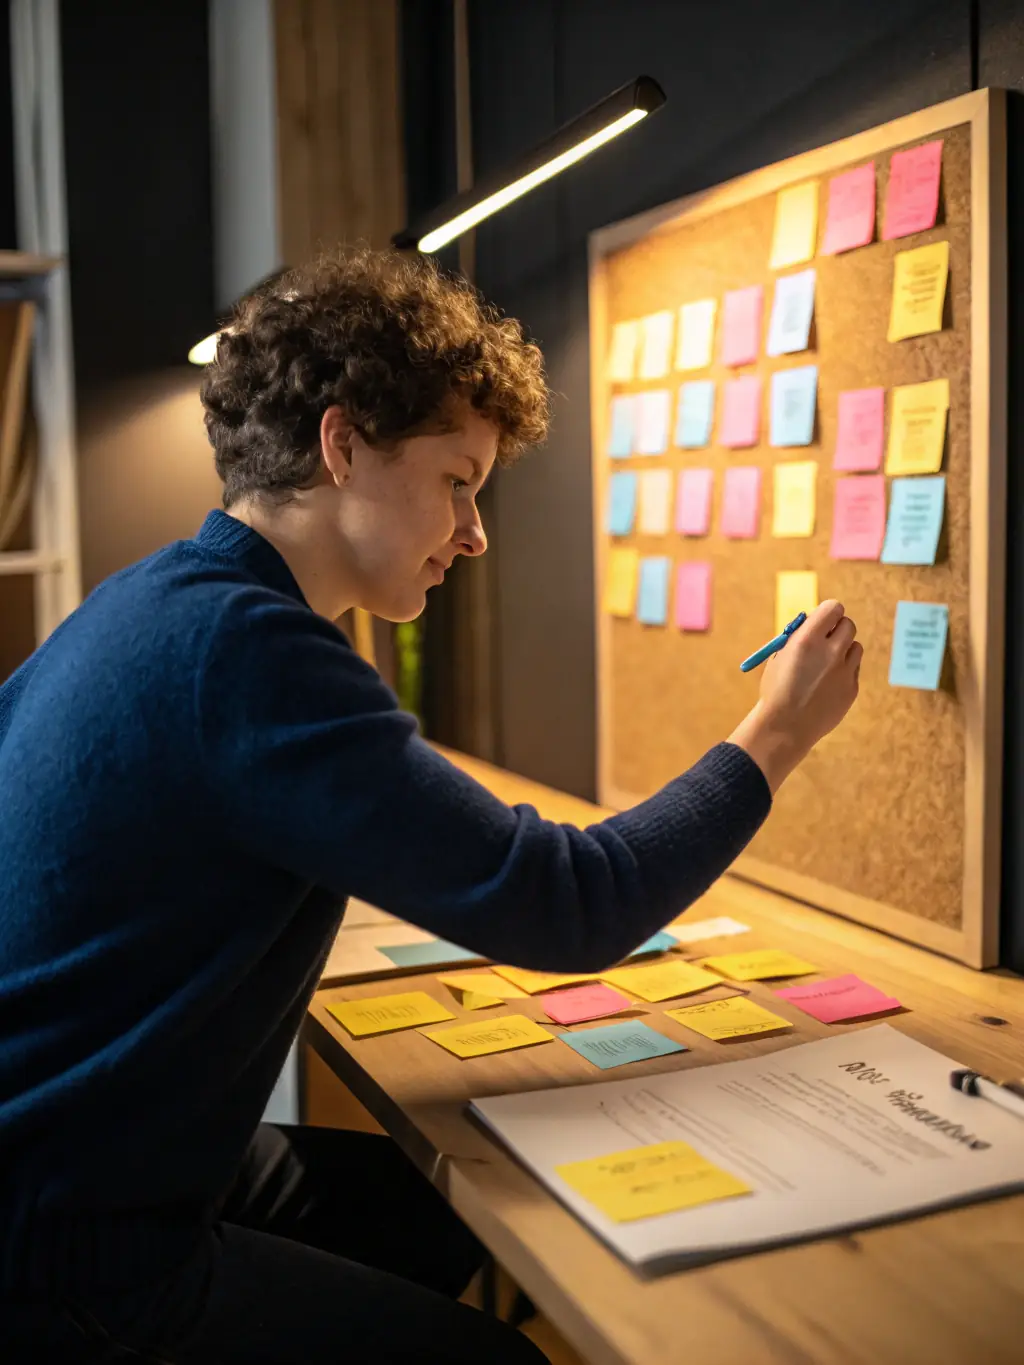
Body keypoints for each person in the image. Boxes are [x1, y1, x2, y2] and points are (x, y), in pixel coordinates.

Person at [0, 247, 862, 1364]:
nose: (476, 532)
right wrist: (776, 733)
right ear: (342, 442)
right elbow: (571, 905)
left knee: (419, 1206)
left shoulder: (158, 600)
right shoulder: (249, 653)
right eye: (457, 481)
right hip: (61, 1249)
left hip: (56, 1159)